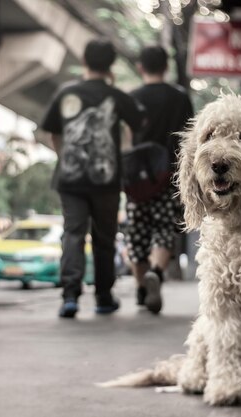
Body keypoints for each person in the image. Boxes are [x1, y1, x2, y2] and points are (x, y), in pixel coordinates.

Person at [40, 39, 144, 318]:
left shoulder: (67, 92)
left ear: (84, 60)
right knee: (104, 238)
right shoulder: (117, 96)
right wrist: (122, 153)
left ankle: (70, 297)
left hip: (70, 179)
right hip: (106, 179)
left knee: (73, 234)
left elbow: (53, 133)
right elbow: (137, 127)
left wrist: (65, 159)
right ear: (111, 65)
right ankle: (103, 297)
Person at [126, 45, 193, 314]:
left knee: (136, 234)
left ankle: (142, 288)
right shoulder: (179, 97)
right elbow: (189, 136)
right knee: (164, 229)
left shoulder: (131, 98)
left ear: (140, 67)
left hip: (137, 179)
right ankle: (156, 272)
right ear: (166, 67)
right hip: (168, 175)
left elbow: (125, 139)